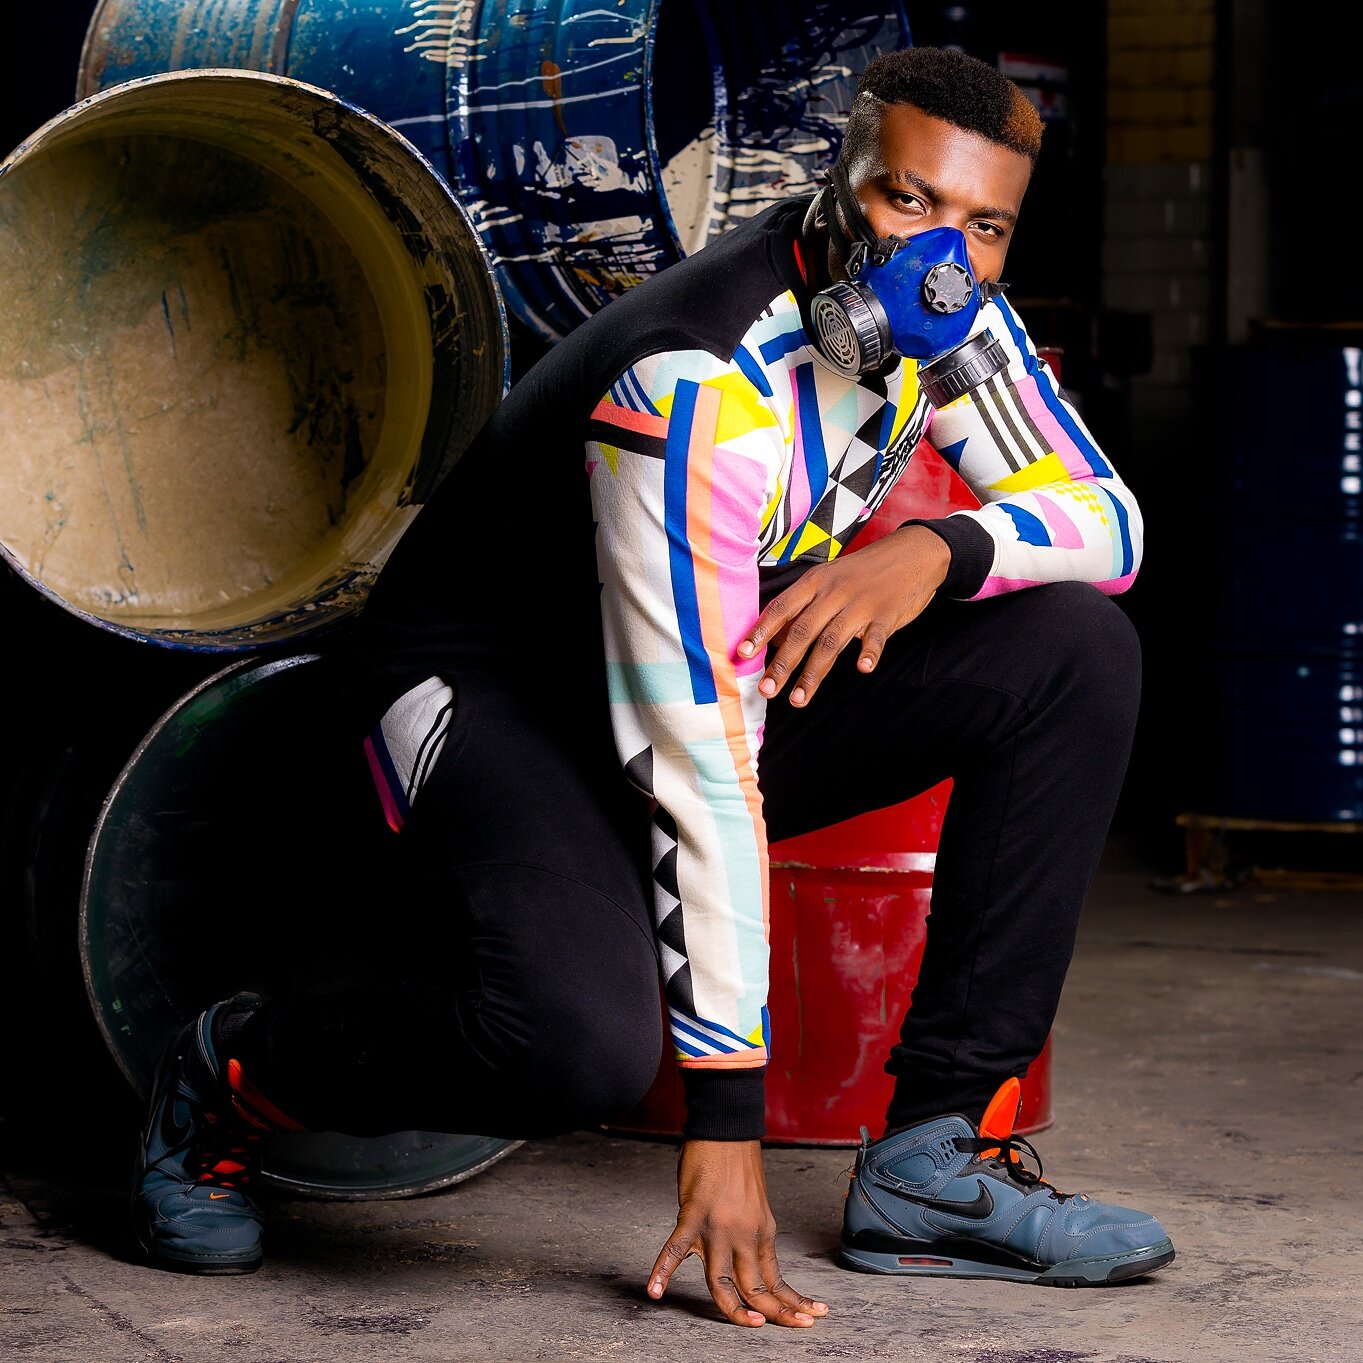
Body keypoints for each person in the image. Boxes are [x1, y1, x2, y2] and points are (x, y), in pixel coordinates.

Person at [132, 45, 1173, 1319]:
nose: (941, 255)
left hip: (688, 663)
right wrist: (722, 1123)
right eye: (909, 200)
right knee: (579, 1050)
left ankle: (933, 1160)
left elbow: (1108, 523)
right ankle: (231, 1074)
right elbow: (699, 757)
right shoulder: (693, 379)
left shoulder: (950, 322)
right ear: (838, 179)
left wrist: (939, 545)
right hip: (493, 694)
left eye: (985, 225)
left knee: (1074, 650)